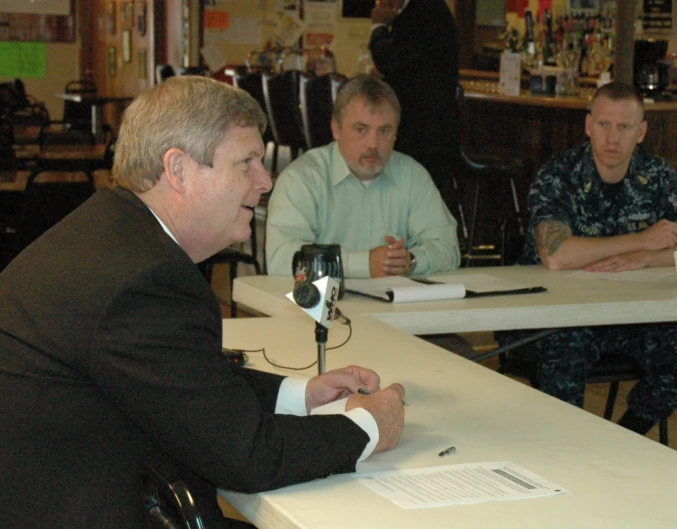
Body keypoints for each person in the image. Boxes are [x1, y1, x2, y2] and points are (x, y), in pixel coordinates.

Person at [0, 76, 405, 528]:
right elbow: (247, 456)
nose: (265, 180)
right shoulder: (142, 281)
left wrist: (302, 394)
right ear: (178, 170)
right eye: (247, 162)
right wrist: (369, 427)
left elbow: (184, 380)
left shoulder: (111, 233)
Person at [500, 82, 677, 435]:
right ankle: (567, 454)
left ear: (642, 132)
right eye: (603, 125)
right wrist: (641, 241)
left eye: (624, 127)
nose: (612, 137)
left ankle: (623, 438)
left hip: (630, 315)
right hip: (558, 317)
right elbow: (556, 255)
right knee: (564, 355)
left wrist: (646, 258)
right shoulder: (560, 175)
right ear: (588, 126)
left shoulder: (660, 177)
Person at [265, 75, 460, 278]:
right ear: (336, 129)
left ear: (396, 134)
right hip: (317, 308)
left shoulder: (412, 176)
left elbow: (448, 250)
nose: (373, 144)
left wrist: (409, 261)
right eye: (361, 130)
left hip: (392, 306)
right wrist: (364, 264)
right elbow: (281, 259)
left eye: (384, 131)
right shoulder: (302, 179)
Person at [369, 0, 460, 204]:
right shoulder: (426, 9)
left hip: (425, 132)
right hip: (430, 127)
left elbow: (388, 58)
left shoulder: (422, 11)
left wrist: (379, 25)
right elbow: (410, 66)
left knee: (410, 200)